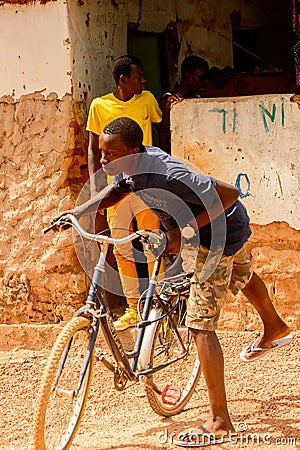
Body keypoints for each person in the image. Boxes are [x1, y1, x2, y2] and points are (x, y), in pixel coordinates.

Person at [55, 116, 292, 446]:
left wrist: (185, 232)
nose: (105, 160)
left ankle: (220, 422)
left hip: (217, 236)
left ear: (134, 150)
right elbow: (119, 189)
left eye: (111, 155)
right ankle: (275, 327)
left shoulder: (167, 173)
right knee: (241, 273)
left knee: (199, 325)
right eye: (103, 154)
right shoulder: (133, 167)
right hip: (227, 230)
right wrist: (81, 210)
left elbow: (229, 193)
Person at [86, 55, 163, 330]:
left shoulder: (147, 100)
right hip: (115, 187)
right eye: (138, 76)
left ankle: (159, 308)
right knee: (121, 248)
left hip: (145, 182)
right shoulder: (99, 106)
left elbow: (161, 125)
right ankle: (133, 308)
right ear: (122, 80)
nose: (143, 80)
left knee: (153, 244)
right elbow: (93, 149)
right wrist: (97, 186)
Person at [158, 55, 209, 154]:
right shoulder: (168, 101)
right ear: (189, 76)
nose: (205, 82)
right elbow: (163, 133)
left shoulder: (200, 100)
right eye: (202, 78)